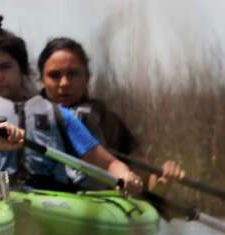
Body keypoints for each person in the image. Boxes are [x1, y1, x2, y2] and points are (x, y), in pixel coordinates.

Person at [0, 12, 145, 193]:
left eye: (5, 67)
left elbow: (109, 163)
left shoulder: (59, 115)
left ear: (23, 70)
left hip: (48, 205)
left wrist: (125, 175)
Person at [37, 37, 184, 187]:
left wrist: (162, 180)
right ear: (41, 79)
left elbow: (141, 176)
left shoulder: (107, 121)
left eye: (73, 74)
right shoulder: (24, 118)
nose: (64, 83)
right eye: (54, 75)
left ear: (87, 77)